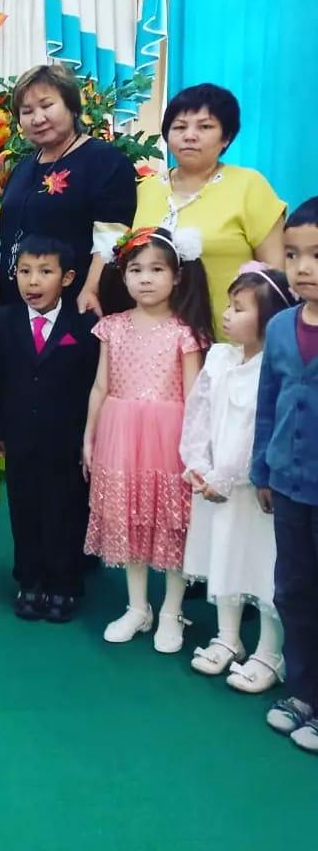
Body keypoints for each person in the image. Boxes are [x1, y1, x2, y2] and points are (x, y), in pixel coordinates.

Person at [83, 227, 213, 653]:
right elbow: (100, 387)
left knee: (172, 523)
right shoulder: (112, 328)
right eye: (136, 270)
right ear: (123, 277)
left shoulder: (185, 332)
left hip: (170, 440)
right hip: (121, 437)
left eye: (157, 269)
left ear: (177, 276)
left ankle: (172, 610)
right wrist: (89, 437)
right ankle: (138, 607)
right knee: (130, 518)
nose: (145, 278)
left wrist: (197, 450)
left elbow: (195, 397)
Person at [181, 264, 297, 691]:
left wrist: (225, 477)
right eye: (228, 305)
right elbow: (198, 412)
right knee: (224, 554)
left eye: (239, 308)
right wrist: (196, 462)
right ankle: (228, 637)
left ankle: (270, 652)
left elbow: (258, 432)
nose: (227, 315)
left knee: (265, 564)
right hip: (213, 485)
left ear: (270, 318)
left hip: (254, 489)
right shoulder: (219, 358)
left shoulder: (273, 368)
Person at [0, 235, 99, 623]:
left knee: (65, 512)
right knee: (25, 511)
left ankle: (64, 585)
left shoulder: (83, 323)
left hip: (67, 440)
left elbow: (92, 384)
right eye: (24, 271)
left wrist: (89, 436)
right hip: (20, 437)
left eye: (45, 272)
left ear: (67, 278)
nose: (32, 281)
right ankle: (29, 581)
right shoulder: (5, 321)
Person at [132, 84, 286, 339]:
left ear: (226, 137)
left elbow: (275, 276)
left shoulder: (249, 185)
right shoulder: (146, 189)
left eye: (205, 127)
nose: (190, 136)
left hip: (230, 342)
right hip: (154, 344)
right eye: (179, 127)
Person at [253, 197, 318, 755]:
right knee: (294, 588)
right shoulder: (278, 328)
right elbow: (267, 404)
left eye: (317, 255)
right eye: (293, 254)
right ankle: (303, 692)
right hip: (289, 484)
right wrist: (262, 469)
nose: (302, 268)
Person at [0, 65, 137, 313]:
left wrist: (92, 289)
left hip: (77, 305)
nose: (37, 118)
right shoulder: (23, 167)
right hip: (17, 309)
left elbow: (112, 237)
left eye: (47, 106)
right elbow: (8, 238)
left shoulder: (105, 161)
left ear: (72, 107)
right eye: (27, 111)